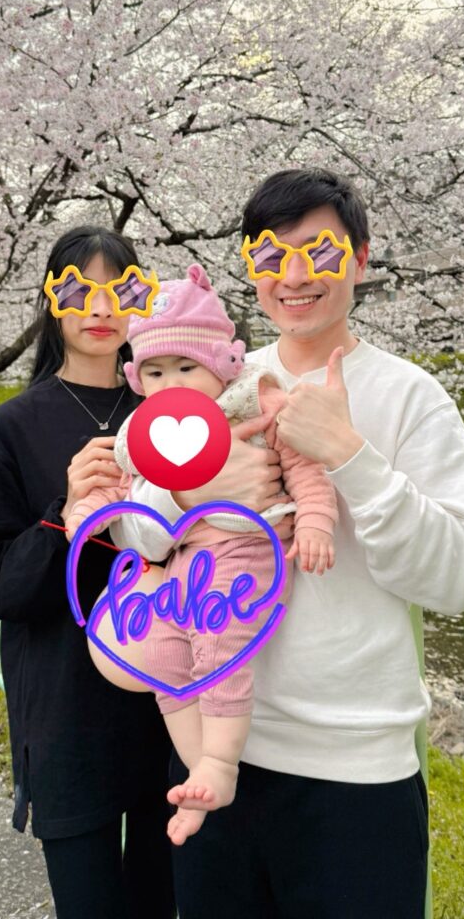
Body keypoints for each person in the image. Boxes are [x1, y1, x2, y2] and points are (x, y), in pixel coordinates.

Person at [110, 168, 464, 919]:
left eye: (319, 252)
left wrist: (348, 455)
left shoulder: (411, 397)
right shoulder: (211, 380)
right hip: (214, 752)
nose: (293, 277)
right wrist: (191, 495)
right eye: (269, 255)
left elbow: (454, 579)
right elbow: (134, 534)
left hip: (356, 770)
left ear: (360, 259)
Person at [64, 262, 337, 846]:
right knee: (163, 652)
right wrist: (87, 515)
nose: (172, 384)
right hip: (186, 560)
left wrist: (316, 522)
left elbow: (305, 470)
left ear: (221, 365)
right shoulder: (147, 428)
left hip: (247, 551)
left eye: (187, 367)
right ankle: (199, 772)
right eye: (155, 371)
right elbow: (122, 487)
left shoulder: (253, 403)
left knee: (217, 640)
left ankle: (220, 763)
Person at [0, 226, 179, 919]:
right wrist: (64, 514)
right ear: (52, 301)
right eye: (80, 290)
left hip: (173, 708)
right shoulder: (14, 426)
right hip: (67, 711)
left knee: (162, 898)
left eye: (122, 290)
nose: (102, 307)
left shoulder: (172, 415)